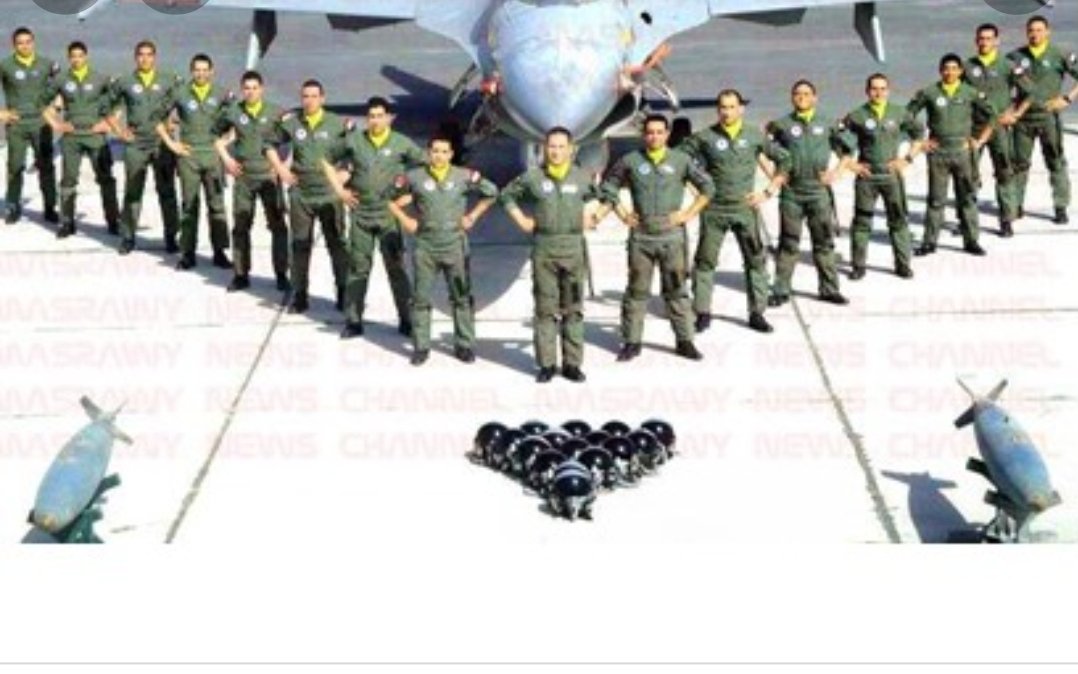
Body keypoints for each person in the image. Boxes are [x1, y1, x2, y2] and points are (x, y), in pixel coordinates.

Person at [601, 113, 714, 361]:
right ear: (644, 134)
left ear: (667, 134)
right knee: (636, 292)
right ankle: (632, 342)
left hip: (671, 237)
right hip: (641, 238)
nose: (654, 137)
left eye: (659, 132)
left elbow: (708, 187)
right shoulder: (630, 161)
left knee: (676, 291)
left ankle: (685, 341)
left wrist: (687, 214)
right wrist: (623, 214)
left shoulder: (681, 160)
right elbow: (608, 186)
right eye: (650, 132)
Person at [501, 126, 607, 383]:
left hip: (573, 250)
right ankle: (546, 364)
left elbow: (608, 196)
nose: (556, 152)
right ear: (544, 149)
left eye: (561, 147)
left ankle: (572, 364)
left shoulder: (582, 177)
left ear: (571, 149)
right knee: (545, 310)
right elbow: (506, 196)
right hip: (544, 250)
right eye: (552, 147)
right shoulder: (533, 178)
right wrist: (522, 220)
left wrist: (595, 217)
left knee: (573, 310)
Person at [388, 133, 498, 366]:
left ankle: (464, 344)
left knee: (461, 297)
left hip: (454, 245)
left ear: (451, 154)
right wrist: (404, 219)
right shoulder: (414, 177)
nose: (439, 156)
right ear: (428, 153)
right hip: (426, 245)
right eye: (435, 151)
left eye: (444, 152)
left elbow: (492, 192)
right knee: (420, 299)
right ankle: (421, 346)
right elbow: (388, 197)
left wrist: (472, 216)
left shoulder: (464, 176)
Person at [682, 90, 787, 333]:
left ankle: (757, 312)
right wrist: (697, 191)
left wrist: (768, 191)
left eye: (731, 107)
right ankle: (702, 312)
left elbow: (785, 159)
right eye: (723, 107)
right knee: (705, 262)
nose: (727, 112)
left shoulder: (754, 135)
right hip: (714, 210)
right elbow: (678, 160)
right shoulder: (705, 137)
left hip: (744, 209)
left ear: (741, 109)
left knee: (755, 261)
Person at [322, 96, 425, 338]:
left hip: (388, 216)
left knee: (396, 269)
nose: (375, 121)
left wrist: (410, 196)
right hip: (362, 214)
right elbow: (326, 158)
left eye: (380, 116)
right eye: (371, 117)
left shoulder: (401, 143)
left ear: (388, 117)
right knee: (358, 269)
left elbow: (428, 166)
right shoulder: (354, 141)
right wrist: (339, 191)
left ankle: (406, 320)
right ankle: (354, 321)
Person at [265, 79, 352, 314]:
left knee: (337, 245)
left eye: (314, 96)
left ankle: (343, 292)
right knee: (300, 245)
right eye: (305, 96)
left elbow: (356, 150)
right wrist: (281, 169)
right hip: (301, 194)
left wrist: (346, 173)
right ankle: (300, 295)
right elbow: (269, 144)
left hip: (329, 193)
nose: (310, 101)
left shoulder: (337, 124)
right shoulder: (292, 124)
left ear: (322, 98)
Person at [765, 79, 849, 308]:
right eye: (797, 94)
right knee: (788, 243)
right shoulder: (781, 125)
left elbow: (847, 151)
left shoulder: (828, 123)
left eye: (806, 93)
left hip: (818, 192)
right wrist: (774, 176)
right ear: (792, 98)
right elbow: (762, 150)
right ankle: (781, 290)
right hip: (792, 193)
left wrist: (835, 173)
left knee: (823, 243)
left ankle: (829, 289)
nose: (801, 97)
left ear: (815, 97)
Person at [837, 73, 924, 280]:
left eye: (883, 88)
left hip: (891, 175)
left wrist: (907, 159)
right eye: (874, 88)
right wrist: (851, 165)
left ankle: (902, 265)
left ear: (888, 91)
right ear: (867, 91)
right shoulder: (857, 115)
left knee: (898, 221)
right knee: (861, 223)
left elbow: (919, 135)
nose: (879, 92)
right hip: (867, 177)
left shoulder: (899, 113)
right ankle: (858, 266)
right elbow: (837, 141)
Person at [907, 53, 994, 257]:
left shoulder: (970, 93)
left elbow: (992, 114)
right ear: (940, 71)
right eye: (946, 68)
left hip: (963, 153)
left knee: (967, 198)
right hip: (938, 153)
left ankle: (971, 240)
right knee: (936, 200)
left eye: (954, 68)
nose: (950, 72)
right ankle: (929, 242)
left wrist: (979, 140)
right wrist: (920, 141)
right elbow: (907, 115)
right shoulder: (930, 92)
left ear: (961, 71)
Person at [214, 70, 288, 292]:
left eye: (255, 88)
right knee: (241, 225)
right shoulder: (233, 112)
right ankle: (241, 274)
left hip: (269, 177)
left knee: (278, 226)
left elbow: (295, 139)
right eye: (247, 88)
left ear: (262, 89)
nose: (251, 92)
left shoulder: (275, 112)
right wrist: (227, 159)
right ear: (242, 90)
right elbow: (215, 136)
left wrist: (282, 167)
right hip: (244, 177)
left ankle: (281, 274)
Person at [156, 52, 231, 270]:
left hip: (213, 156)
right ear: (191, 71)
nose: (201, 74)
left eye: (204, 70)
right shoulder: (180, 93)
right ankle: (188, 253)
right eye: (197, 70)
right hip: (188, 157)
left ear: (212, 71)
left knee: (217, 206)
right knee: (189, 206)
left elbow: (237, 119)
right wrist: (172, 144)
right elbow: (157, 119)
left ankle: (219, 252)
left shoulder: (222, 94)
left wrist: (224, 143)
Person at [109, 40, 182, 254]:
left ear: (155, 57)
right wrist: (119, 131)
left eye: (149, 54)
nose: (145, 59)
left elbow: (183, 103)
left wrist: (174, 121)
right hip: (136, 144)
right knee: (133, 192)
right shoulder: (125, 82)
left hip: (161, 143)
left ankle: (171, 236)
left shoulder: (169, 80)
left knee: (167, 191)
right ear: (135, 57)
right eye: (141, 54)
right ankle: (128, 236)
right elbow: (108, 107)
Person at [41, 41, 120, 239]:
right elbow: (41, 102)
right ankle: (67, 222)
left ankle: (113, 221)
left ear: (86, 56)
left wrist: (109, 124)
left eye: (80, 55)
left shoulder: (100, 78)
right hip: (72, 137)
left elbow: (120, 99)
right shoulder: (61, 80)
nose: (76, 59)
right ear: (69, 58)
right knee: (68, 180)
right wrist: (56, 124)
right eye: (73, 56)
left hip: (95, 136)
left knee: (106, 179)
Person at [1008, 15, 1078, 225]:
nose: (1035, 34)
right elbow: (1003, 84)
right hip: (1023, 120)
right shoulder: (1015, 57)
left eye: (1039, 30)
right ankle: (1015, 204)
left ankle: (1060, 206)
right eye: (1031, 30)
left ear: (1047, 32)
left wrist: (1067, 98)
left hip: (1049, 118)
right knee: (1019, 164)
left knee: (1055, 161)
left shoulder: (1060, 55)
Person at [964, 23, 1021, 238]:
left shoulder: (1007, 66)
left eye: (989, 38)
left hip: (999, 128)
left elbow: (1029, 90)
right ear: (976, 41)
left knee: (1004, 172)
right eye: (981, 38)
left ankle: (1006, 219)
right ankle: (967, 219)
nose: (984, 42)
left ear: (997, 41)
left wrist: (1014, 113)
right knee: (967, 174)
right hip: (974, 128)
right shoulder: (966, 67)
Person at [0, 26, 58, 225]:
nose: (24, 46)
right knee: (15, 166)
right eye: (20, 43)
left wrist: (56, 108)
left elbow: (63, 84)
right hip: (17, 124)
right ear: (14, 45)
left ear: (33, 42)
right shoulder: (5, 65)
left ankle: (50, 207)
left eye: (28, 42)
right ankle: (13, 206)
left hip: (41, 123)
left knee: (46, 166)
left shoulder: (47, 64)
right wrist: (1, 113)